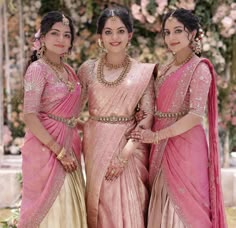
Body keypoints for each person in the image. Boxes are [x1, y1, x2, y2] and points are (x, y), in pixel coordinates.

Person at [130, 8, 227, 228]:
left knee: (185, 203)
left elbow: (194, 116)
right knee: (161, 196)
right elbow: (159, 106)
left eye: (178, 31)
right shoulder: (165, 68)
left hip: (185, 145)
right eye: (167, 32)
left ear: (192, 34)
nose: (171, 37)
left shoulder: (200, 69)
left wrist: (157, 136)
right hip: (160, 142)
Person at [77, 6, 155, 228]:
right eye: (108, 31)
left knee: (129, 202)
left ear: (130, 34)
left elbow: (147, 116)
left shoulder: (142, 72)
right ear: (100, 36)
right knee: (100, 203)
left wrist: (124, 156)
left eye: (120, 31)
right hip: (96, 144)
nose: (114, 37)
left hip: (129, 147)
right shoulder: (87, 70)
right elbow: (71, 110)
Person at [18, 11, 87, 228]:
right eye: (55, 33)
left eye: (67, 35)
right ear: (43, 38)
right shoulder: (37, 69)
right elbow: (29, 114)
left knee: (72, 204)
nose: (61, 39)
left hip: (70, 145)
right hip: (47, 150)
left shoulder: (68, 70)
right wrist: (58, 150)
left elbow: (66, 115)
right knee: (55, 205)